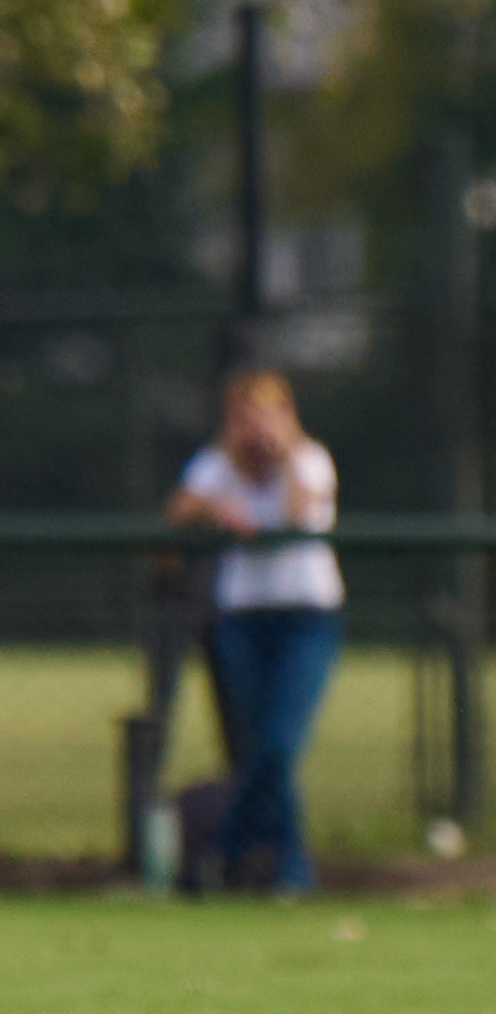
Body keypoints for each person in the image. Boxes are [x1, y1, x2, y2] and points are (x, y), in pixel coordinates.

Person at [166, 367, 344, 895]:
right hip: (242, 619)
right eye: (245, 417)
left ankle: (227, 847)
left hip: (306, 618)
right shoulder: (220, 465)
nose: (254, 428)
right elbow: (178, 510)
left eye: (265, 414)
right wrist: (216, 506)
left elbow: (297, 510)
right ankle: (285, 871)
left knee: (279, 746)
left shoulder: (311, 460)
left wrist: (284, 453)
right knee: (255, 748)